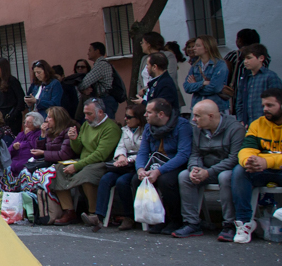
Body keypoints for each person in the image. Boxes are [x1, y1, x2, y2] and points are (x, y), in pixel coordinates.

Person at [173, 100, 244, 238]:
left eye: (198, 116)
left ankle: (229, 224)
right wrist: (194, 168)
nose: (193, 119)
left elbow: (234, 158)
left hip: (227, 169)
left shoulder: (235, 129)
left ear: (211, 116)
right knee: (184, 176)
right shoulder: (197, 128)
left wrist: (209, 172)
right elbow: (195, 153)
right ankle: (191, 223)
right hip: (205, 168)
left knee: (225, 177)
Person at [54, 98, 120, 225]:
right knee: (57, 170)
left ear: (100, 112)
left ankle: (93, 213)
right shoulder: (86, 125)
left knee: (87, 174)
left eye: (89, 114)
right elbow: (79, 149)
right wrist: (74, 139)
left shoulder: (111, 128)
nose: (86, 117)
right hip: (83, 160)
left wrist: (77, 166)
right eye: (85, 114)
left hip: (100, 163)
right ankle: (69, 210)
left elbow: (100, 155)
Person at [229, 88, 282, 244]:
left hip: (274, 168)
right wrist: (249, 161)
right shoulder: (258, 124)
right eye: (264, 105)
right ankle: (244, 223)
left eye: (270, 105)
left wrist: (266, 161)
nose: (265, 109)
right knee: (240, 170)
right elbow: (246, 149)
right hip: (261, 169)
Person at [135, 98, 193, 234]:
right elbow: (143, 151)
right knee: (136, 179)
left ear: (160, 114)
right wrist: (141, 169)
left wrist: (159, 171)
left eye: (148, 112)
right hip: (156, 163)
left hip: (175, 164)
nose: (145, 115)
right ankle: (155, 218)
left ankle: (174, 220)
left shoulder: (182, 126)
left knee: (166, 181)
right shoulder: (149, 128)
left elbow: (183, 155)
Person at [89, 103, 146, 231]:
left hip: (136, 165)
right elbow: (121, 146)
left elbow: (145, 151)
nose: (125, 119)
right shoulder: (125, 130)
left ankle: (129, 216)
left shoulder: (146, 131)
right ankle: (99, 217)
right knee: (106, 179)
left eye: (129, 117)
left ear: (139, 118)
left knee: (122, 182)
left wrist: (128, 159)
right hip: (123, 164)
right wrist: (120, 156)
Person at [224, 29, 269, 115]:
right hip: (259, 96)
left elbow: (226, 75)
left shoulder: (234, 56)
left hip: (237, 97)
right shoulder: (265, 57)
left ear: (239, 40)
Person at [235, 44, 281, 126]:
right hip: (249, 125)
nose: (245, 61)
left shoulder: (270, 77)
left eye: (249, 58)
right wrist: (241, 119)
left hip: (268, 124)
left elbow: (277, 102)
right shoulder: (245, 78)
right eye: (244, 59)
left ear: (261, 58)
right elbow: (240, 101)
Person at [183, 35, 228, 109]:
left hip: (215, 107)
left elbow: (215, 88)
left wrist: (196, 86)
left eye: (198, 46)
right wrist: (202, 83)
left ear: (207, 48)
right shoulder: (195, 65)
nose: (194, 48)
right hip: (197, 106)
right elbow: (187, 87)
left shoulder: (219, 64)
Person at [79, 42, 119, 119]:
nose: (88, 53)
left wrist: (81, 88)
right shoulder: (101, 64)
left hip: (105, 99)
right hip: (106, 99)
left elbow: (84, 83)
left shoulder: (101, 65)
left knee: (105, 125)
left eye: (90, 50)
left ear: (97, 51)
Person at [0, 59, 25, 133]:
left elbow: (20, 98)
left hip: (12, 115)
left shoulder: (12, 81)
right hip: (3, 114)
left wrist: (14, 114)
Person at [8, 112, 44, 179]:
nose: (25, 125)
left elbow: (36, 147)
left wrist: (29, 134)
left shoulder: (40, 134)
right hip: (13, 167)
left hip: (28, 167)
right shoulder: (21, 134)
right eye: (25, 122)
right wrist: (13, 148)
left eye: (29, 122)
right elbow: (8, 152)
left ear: (36, 125)